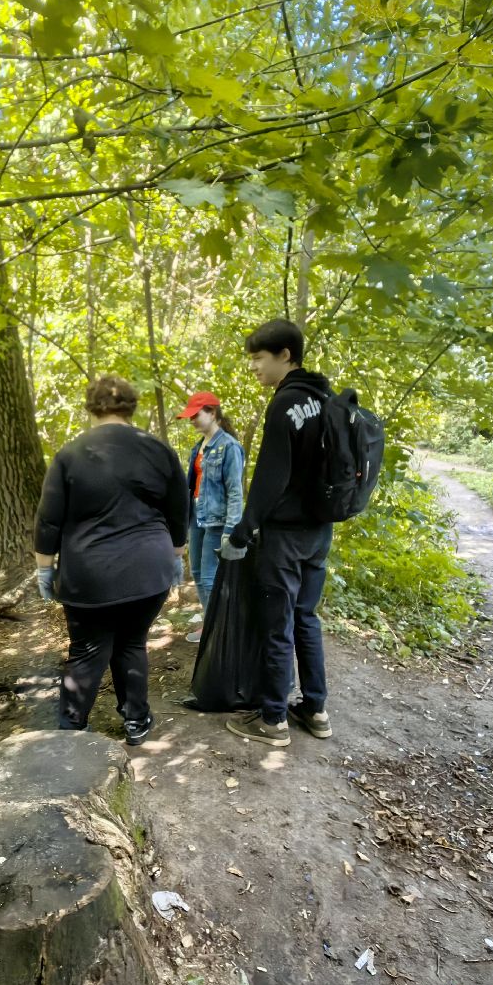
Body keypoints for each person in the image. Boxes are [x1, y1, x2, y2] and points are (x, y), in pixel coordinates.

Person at [34, 375, 187, 745]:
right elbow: (180, 510)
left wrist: (44, 568)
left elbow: (49, 520)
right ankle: (136, 720)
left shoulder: (70, 455)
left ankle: (72, 729)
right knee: (132, 642)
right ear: (131, 406)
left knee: (88, 649)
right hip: (149, 571)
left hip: (91, 574)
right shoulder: (158, 450)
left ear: (91, 408)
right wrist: (177, 555)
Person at [219, 319, 336, 747]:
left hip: (284, 535)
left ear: (285, 355)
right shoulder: (326, 398)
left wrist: (243, 530)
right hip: (319, 531)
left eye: (258, 358)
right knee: (306, 617)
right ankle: (316, 710)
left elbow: (271, 477)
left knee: (278, 623)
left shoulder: (285, 403)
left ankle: (273, 720)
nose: (253, 367)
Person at [177, 391, 245, 643]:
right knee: (196, 572)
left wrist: (230, 530)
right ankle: (211, 624)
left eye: (196, 414)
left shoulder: (229, 446)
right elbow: (192, 487)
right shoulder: (198, 448)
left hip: (218, 521)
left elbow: (235, 491)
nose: (192, 419)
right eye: (190, 416)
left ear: (213, 413)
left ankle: (220, 633)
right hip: (197, 516)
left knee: (209, 579)